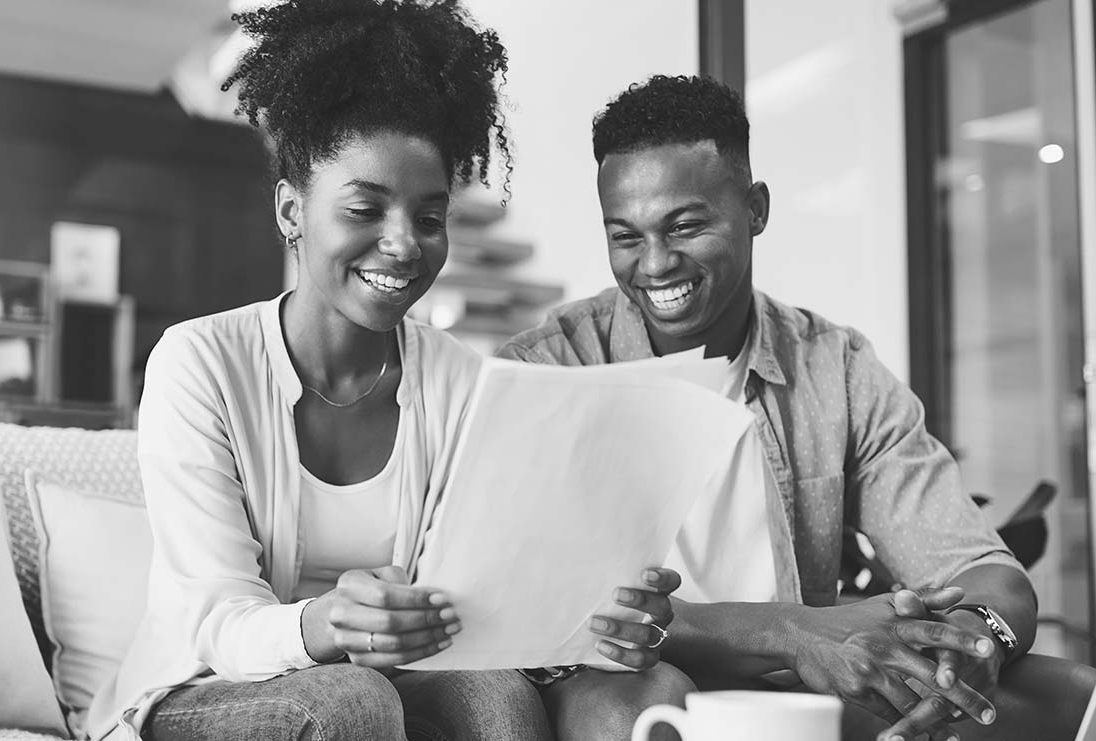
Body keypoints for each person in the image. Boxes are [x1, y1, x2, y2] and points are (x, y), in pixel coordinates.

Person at [87, 3, 686, 739]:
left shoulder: (463, 384)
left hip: (390, 683)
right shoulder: (198, 363)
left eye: (429, 218)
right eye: (366, 208)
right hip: (202, 690)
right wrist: (326, 623)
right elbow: (218, 619)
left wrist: (595, 621)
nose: (403, 245)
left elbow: (482, 602)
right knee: (348, 701)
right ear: (291, 211)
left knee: (498, 699)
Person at [497, 74, 1096, 741]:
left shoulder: (832, 367)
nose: (656, 264)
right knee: (641, 704)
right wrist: (796, 630)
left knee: (1073, 695)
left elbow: (985, 569)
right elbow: (568, 608)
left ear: (755, 209)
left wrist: (971, 638)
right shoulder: (546, 370)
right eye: (626, 236)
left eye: (685, 226)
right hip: (633, 675)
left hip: (795, 679)